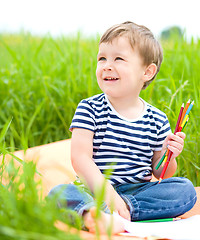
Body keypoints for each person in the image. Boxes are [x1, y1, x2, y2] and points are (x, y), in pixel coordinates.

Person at [48, 21, 197, 234]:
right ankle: (95, 213)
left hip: (137, 192)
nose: (107, 65)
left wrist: (170, 155)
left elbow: (161, 172)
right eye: (102, 58)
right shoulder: (90, 108)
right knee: (60, 192)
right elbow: (80, 159)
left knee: (185, 190)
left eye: (118, 58)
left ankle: (121, 211)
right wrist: (108, 194)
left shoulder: (157, 118)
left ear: (147, 71)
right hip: (94, 190)